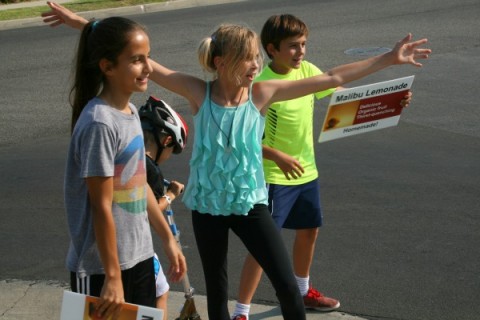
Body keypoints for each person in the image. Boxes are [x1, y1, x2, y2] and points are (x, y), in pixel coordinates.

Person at [42, 4, 431, 319]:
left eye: (258, 58)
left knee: (285, 286)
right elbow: (140, 58)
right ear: (222, 61)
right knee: (217, 293)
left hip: (249, 205)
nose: (255, 65)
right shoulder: (199, 92)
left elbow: (330, 77)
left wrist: (388, 59)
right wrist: (84, 24)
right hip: (209, 209)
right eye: (248, 59)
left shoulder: (262, 93)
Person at [231, 14, 414, 319]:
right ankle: (241, 311)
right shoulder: (260, 85)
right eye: (293, 46)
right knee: (265, 246)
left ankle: (303, 292)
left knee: (309, 231)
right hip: (272, 176)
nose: (301, 51)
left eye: (303, 44)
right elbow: (240, 139)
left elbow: (346, 102)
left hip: (306, 172)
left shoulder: (307, 71)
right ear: (271, 49)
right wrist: (275, 155)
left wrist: (393, 100)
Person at [62, 16, 185, 320]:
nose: (147, 68)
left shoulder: (130, 113)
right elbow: (101, 205)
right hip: (100, 270)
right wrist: (113, 276)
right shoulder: (100, 122)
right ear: (107, 66)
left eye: (147, 58)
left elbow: (138, 184)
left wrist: (168, 239)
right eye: (136, 60)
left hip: (139, 258)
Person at [138, 96, 188, 318]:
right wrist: (171, 194)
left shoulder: (132, 157)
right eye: (172, 150)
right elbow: (151, 208)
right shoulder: (152, 169)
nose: (168, 157)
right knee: (161, 291)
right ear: (166, 140)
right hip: (138, 247)